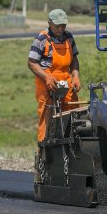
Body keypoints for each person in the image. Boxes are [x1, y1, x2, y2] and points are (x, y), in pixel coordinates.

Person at [28, 9, 81, 142]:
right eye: (57, 26)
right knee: (48, 117)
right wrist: (47, 77)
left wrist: (75, 77)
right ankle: (43, 155)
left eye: (63, 26)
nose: (61, 29)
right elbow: (32, 63)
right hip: (47, 83)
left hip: (67, 82)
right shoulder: (41, 39)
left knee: (73, 114)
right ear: (49, 23)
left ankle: (72, 150)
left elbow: (74, 60)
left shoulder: (69, 37)